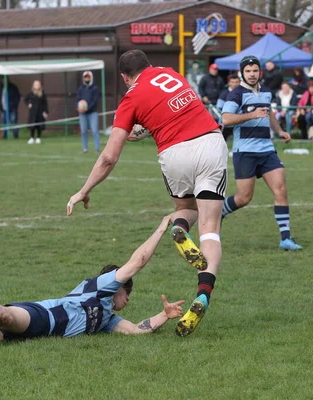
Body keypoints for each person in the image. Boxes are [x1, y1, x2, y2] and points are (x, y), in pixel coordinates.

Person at [67, 49, 229, 337]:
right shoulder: (171, 74)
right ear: (149, 66)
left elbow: (108, 157)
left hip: (174, 152)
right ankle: (203, 294)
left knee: (185, 209)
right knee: (210, 227)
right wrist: (143, 128)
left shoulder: (130, 98)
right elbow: (174, 109)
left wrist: (84, 189)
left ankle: (178, 225)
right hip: (209, 141)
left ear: (124, 77)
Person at [0, 216, 187, 341]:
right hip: (43, 317)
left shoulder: (107, 319)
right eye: (127, 292)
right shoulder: (101, 287)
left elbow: (137, 330)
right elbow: (136, 263)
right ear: (117, 285)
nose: (129, 300)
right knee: (3, 314)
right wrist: (161, 228)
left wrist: (164, 314)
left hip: (30, 336)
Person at [221, 55, 301, 251]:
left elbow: (269, 112)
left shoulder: (266, 91)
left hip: (266, 150)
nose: (252, 74)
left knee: (281, 189)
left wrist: (279, 130)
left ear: (260, 72)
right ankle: (219, 211)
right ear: (242, 73)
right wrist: (251, 114)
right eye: (248, 71)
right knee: (243, 198)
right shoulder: (236, 94)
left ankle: (286, 238)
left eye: (255, 71)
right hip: (245, 151)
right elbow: (227, 119)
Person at [76, 71, 100, 153]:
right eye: (85, 77)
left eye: (88, 77)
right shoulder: (80, 89)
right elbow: (77, 100)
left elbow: (95, 101)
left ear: (91, 78)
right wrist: (78, 107)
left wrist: (87, 108)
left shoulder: (95, 88)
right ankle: (85, 148)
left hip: (93, 113)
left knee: (94, 130)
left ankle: (97, 148)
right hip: (82, 114)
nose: (87, 79)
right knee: (83, 131)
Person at [217, 74, 241, 141]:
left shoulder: (242, 93)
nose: (235, 84)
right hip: (226, 123)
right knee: (223, 140)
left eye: (236, 82)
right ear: (229, 83)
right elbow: (219, 107)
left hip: (239, 122)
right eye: (233, 82)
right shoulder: (224, 94)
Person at [24, 80, 49, 144]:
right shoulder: (31, 93)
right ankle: (32, 138)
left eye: (38, 84)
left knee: (39, 125)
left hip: (40, 112)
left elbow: (45, 103)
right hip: (33, 112)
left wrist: (46, 112)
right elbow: (25, 99)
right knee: (32, 125)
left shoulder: (42, 93)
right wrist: (29, 104)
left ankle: (38, 137)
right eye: (36, 84)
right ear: (33, 85)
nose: (37, 85)